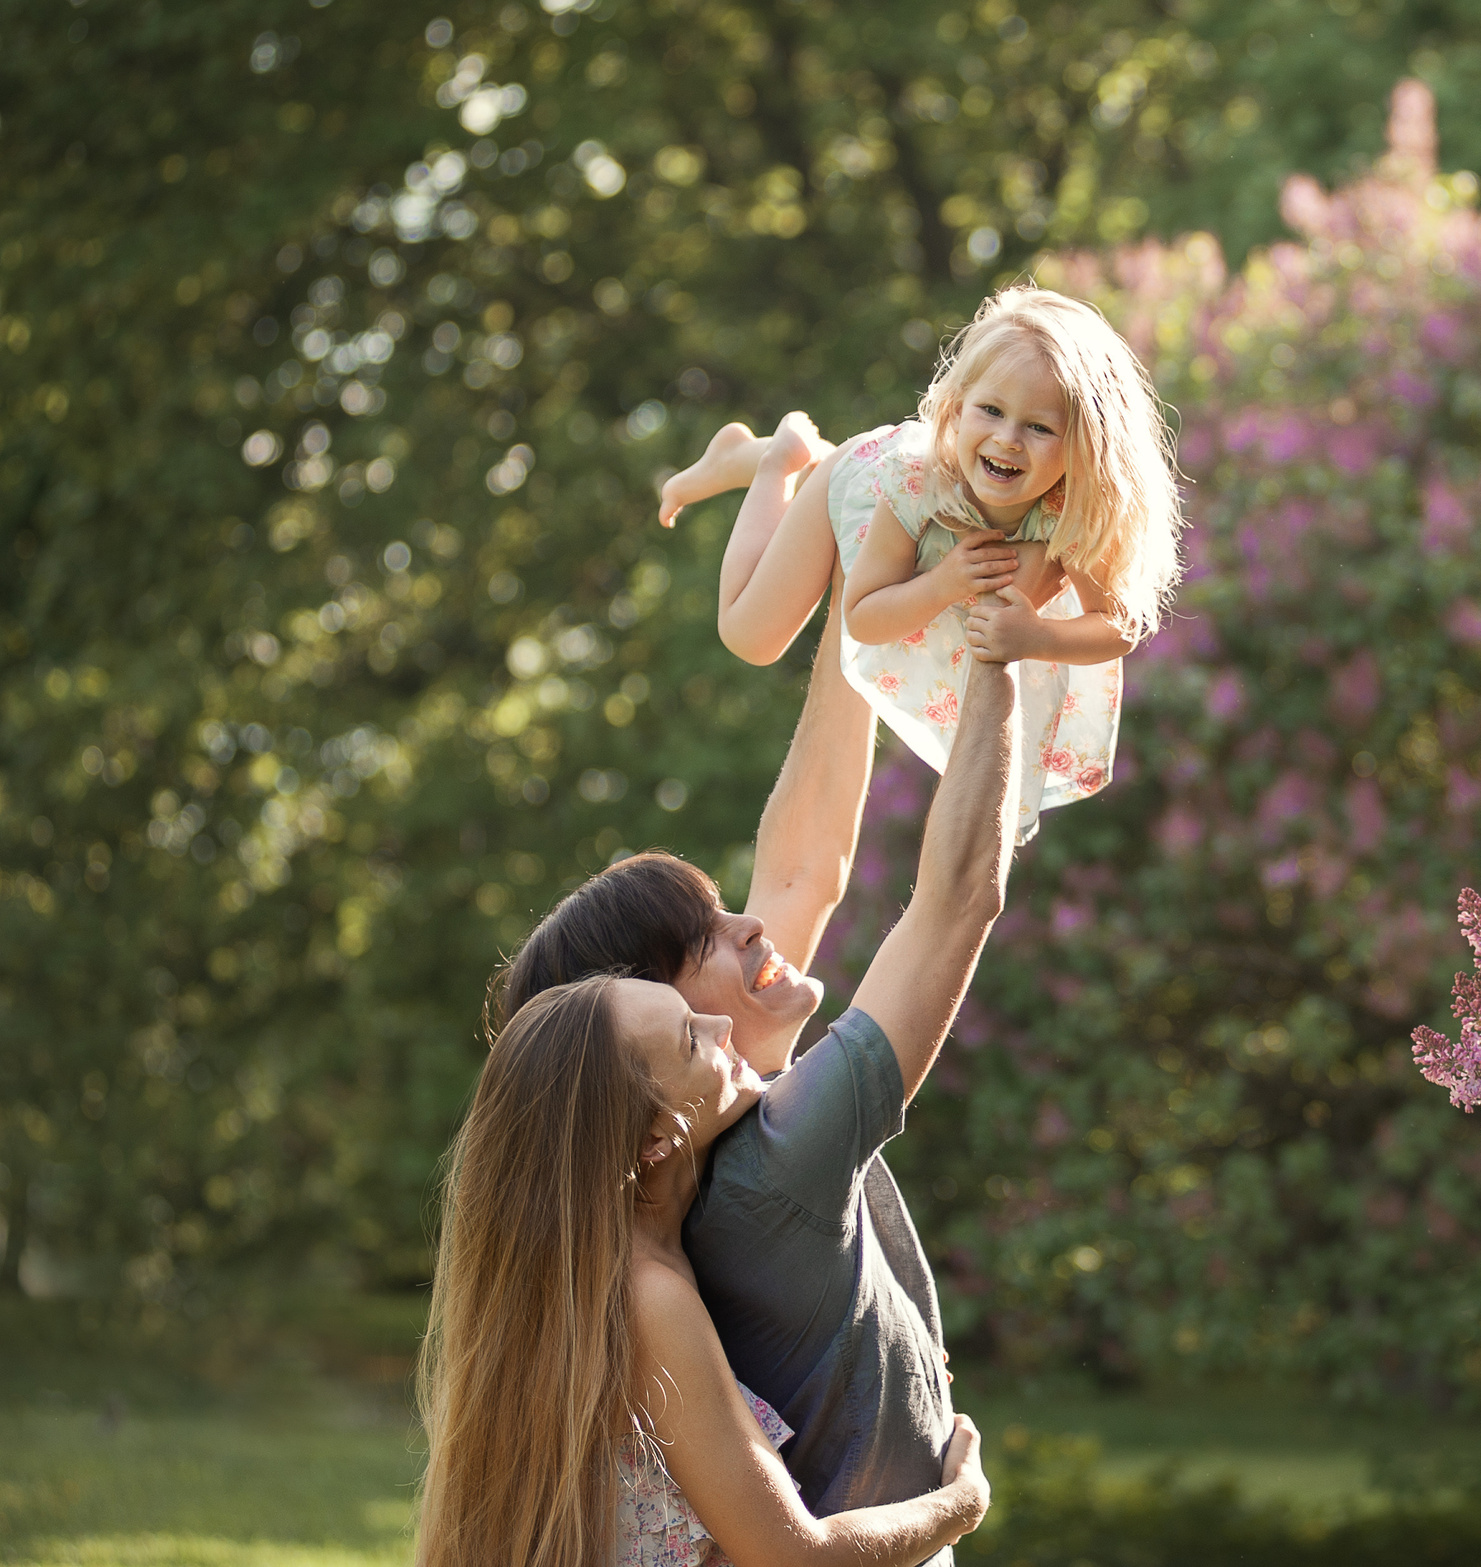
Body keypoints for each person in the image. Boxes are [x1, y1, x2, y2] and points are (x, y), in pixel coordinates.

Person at [480, 550, 1026, 1561]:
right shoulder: (771, 1161)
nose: (754, 922)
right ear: (651, 1029)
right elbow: (958, 900)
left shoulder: (692, 1136)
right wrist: (1005, 649)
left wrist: (861, 585)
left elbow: (806, 863)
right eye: (704, 940)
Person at [414, 972, 990, 1567]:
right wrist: (959, 1504)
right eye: (692, 1039)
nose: (724, 1025)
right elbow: (790, 1557)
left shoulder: (615, 1275)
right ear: (654, 1141)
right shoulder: (646, 1296)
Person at [656, 285, 1184, 840]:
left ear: (1082, 444)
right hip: (861, 491)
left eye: (1039, 427)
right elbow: (862, 615)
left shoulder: (1073, 510)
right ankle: (775, 462)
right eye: (991, 411)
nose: (1007, 440)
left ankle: (769, 456)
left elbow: (1119, 624)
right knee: (751, 637)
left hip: (909, 536)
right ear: (958, 407)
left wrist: (1038, 636)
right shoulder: (914, 481)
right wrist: (943, 584)